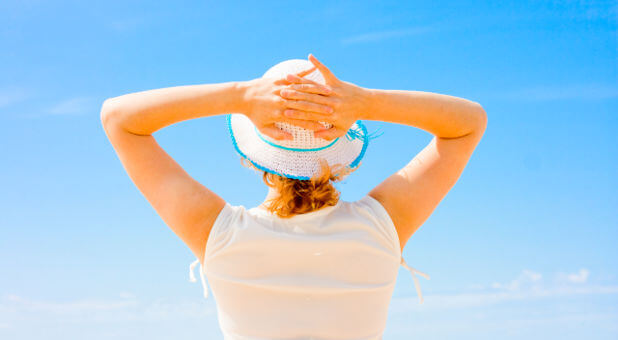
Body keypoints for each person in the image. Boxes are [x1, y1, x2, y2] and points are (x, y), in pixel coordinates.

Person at [100, 53, 487, 339]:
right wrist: (366, 102)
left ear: (251, 156)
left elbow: (119, 119)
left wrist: (241, 95)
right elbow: (469, 124)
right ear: (343, 158)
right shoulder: (382, 225)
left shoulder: (217, 233)